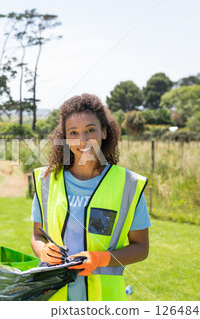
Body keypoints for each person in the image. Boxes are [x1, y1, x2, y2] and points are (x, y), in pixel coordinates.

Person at [30, 93, 151, 301]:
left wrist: (100, 258)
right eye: (74, 132)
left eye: (90, 130)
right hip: (54, 297)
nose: (83, 140)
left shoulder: (129, 185)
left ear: (104, 132)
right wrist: (43, 251)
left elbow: (141, 248)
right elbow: (36, 236)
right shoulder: (47, 180)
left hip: (106, 300)